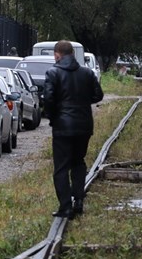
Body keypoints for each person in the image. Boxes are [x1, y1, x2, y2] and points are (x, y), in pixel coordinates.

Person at [44, 40, 104, 219]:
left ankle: (65, 207)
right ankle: (78, 201)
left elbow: (48, 98)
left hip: (62, 127)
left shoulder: (53, 73)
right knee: (78, 162)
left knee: (61, 167)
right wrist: (83, 103)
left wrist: (54, 117)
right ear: (72, 54)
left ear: (57, 55)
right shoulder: (87, 73)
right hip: (84, 126)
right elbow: (98, 95)